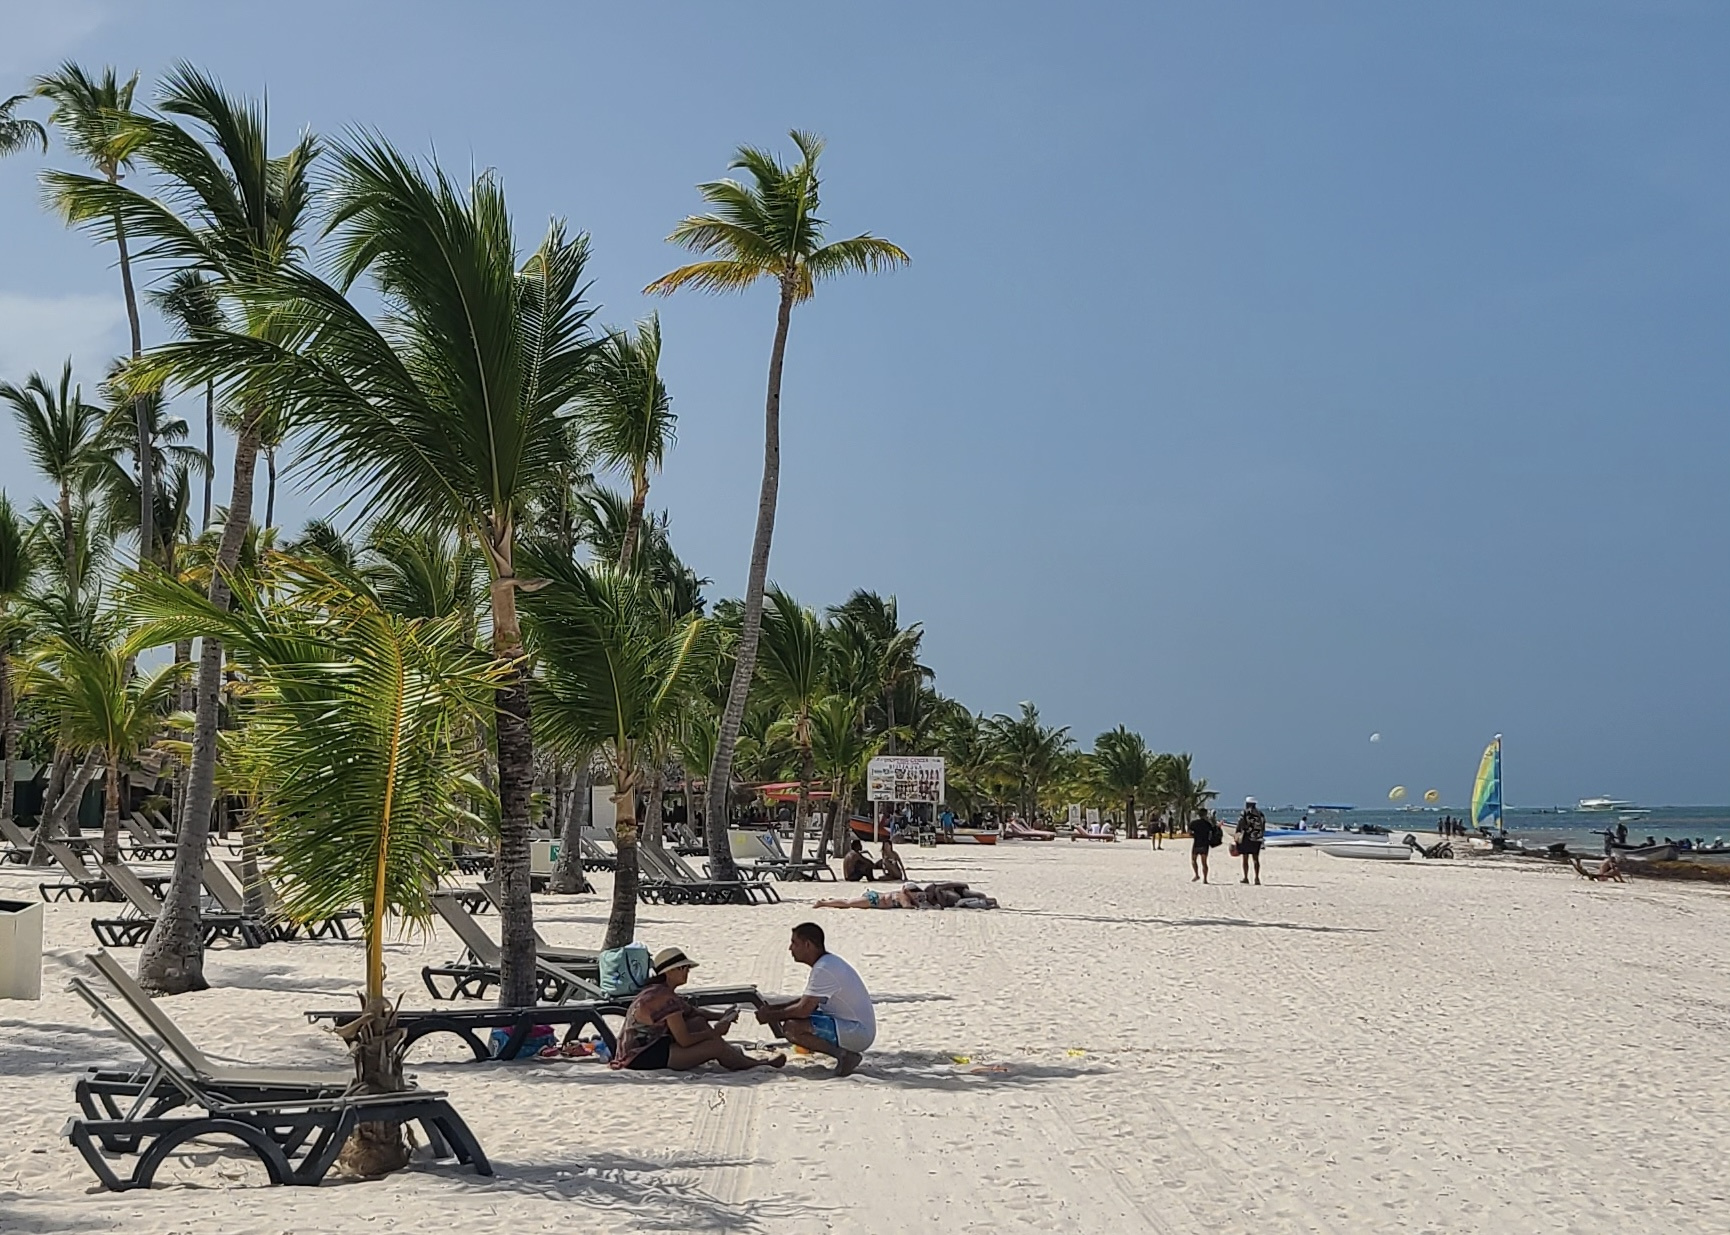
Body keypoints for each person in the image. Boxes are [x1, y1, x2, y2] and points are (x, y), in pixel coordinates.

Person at [610, 947, 786, 1073]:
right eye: (682, 968)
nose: (686, 972)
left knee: (697, 1022)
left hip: (644, 1048)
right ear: (669, 972)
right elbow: (684, 1040)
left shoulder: (658, 990)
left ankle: (733, 1055)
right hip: (641, 1057)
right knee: (715, 1045)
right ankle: (753, 1064)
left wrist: (721, 1016)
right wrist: (715, 1032)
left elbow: (692, 1012)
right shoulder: (665, 999)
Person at [755, 923, 875, 1077]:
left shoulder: (823, 969)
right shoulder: (827, 963)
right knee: (792, 1019)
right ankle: (840, 1053)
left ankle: (843, 1055)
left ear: (807, 945)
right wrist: (774, 1009)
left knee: (792, 1028)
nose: (790, 948)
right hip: (852, 1025)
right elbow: (807, 1000)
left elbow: (803, 1009)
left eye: (794, 943)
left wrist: (771, 1015)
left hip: (858, 1032)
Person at [1236, 797, 1266, 885]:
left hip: (1247, 837)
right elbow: (1263, 826)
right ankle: (1257, 878)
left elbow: (1240, 824)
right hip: (1257, 838)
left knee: (1245, 858)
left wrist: (1237, 834)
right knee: (1256, 859)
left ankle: (1246, 877)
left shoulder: (1244, 813)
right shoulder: (1261, 814)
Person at [1189, 810, 1212, 883]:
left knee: (1193, 860)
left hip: (1196, 844)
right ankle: (1205, 879)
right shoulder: (1208, 824)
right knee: (1204, 863)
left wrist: (1194, 835)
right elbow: (1211, 833)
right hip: (1205, 844)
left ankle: (1196, 875)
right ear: (1205, 815)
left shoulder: (1194, 823)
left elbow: (1189, 832)